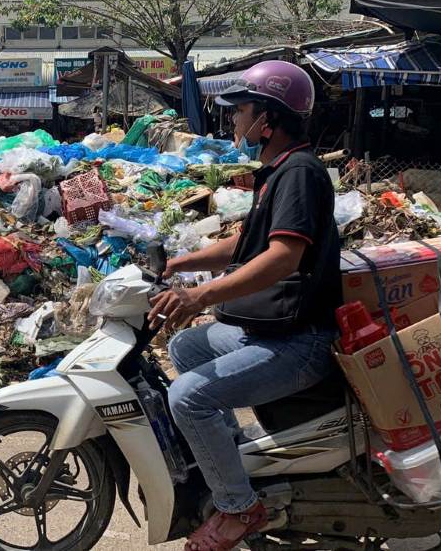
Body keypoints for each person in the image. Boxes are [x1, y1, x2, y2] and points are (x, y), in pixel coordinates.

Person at [147, 61, 342, 551]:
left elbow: (282, 258)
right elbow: (246, 244)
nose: (234, 121)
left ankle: (239, 508)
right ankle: (233, 460)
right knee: (190, 347)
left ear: (268, 119)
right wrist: (180, 262)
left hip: (301, 342)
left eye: (241, 111)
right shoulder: (276, 172)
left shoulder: (299, 173)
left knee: (188, 396)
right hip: (274, 331)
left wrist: (201, 295)